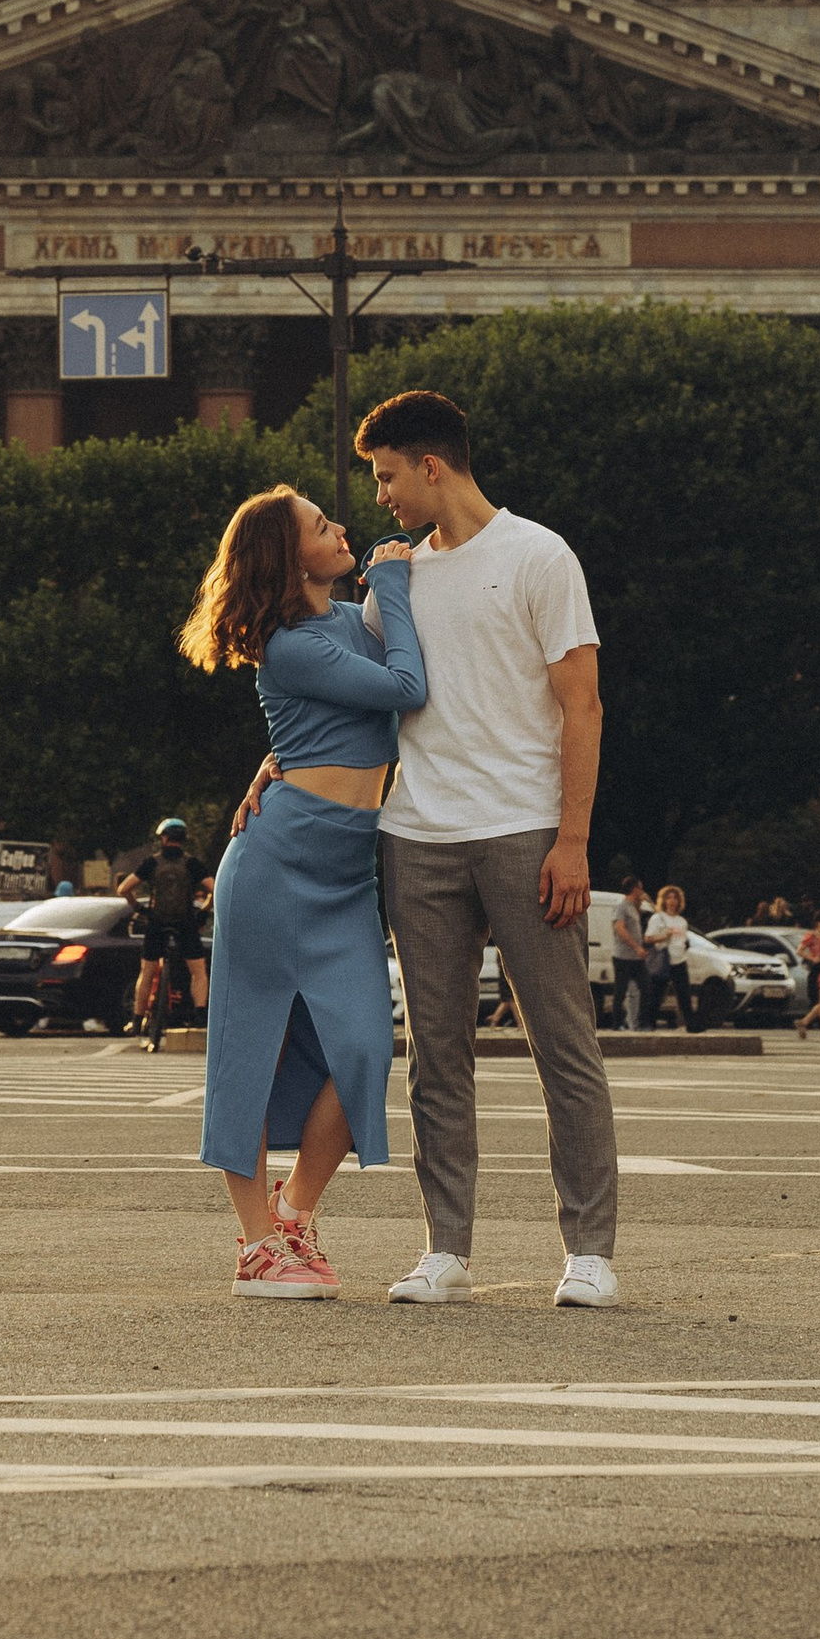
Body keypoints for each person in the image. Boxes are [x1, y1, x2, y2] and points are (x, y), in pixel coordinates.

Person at [242, 387, 619, 1307]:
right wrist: (270, 764)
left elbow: (583, 703)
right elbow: (352, 690)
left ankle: (591, 1253)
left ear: (431, 466)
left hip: (525, 832)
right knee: (436, 1055)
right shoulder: (394, 577)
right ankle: (446, 1247)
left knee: (561, 1045)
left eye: (386, 477)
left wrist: (573, 838)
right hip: (416, 836)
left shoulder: (539, 554)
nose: (378, 497)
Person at [184, 484, 425, 1297]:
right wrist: (391, 583)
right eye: (323, 526)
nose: (342, 528)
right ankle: (257, 1247)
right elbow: (403, 690)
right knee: (246, 1052)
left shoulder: (341, 622)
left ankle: (294, 1214)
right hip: (278, 865)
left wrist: (386, 594)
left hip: (347, 868)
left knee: (363, 1048)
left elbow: (388, 676)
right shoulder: (287, 642)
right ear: (292, 559)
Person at [127, 817, 212, 1034]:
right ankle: (200, 1015)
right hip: (186, 923)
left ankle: (137, 1019)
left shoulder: (151, 863)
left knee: (147, 970)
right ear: (183, 839)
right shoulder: (192, 863)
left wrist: (139, 908)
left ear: (163, 838)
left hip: (156, 922)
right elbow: (215, 888)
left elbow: (124, 889)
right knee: (198, 971)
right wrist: (203, 910)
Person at [610, 876, 655, 1028]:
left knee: (646, 988)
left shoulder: (634, 906)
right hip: (623, 957)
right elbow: (620, 928)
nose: (642, 891)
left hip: (636, 958)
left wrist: (648, 900)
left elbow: (656, 913)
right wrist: (637, 947)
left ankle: (642, 1023)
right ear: (635, 888)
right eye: (641, 888)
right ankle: (617, 1023)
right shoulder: (622, 906)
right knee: (620, 991)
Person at [649, 883, 693, 1032]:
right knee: (657, 994)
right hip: (664, 960)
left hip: (679, 960)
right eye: (669, 898)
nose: (672, 901)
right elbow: (648, 938)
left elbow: (684, 939)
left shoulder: (682, 921)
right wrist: (664, 936)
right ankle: (649, 1022)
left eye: (675, 898)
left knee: (684, 994)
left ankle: (690, 1024)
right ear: (664, 900)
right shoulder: (658, 918)